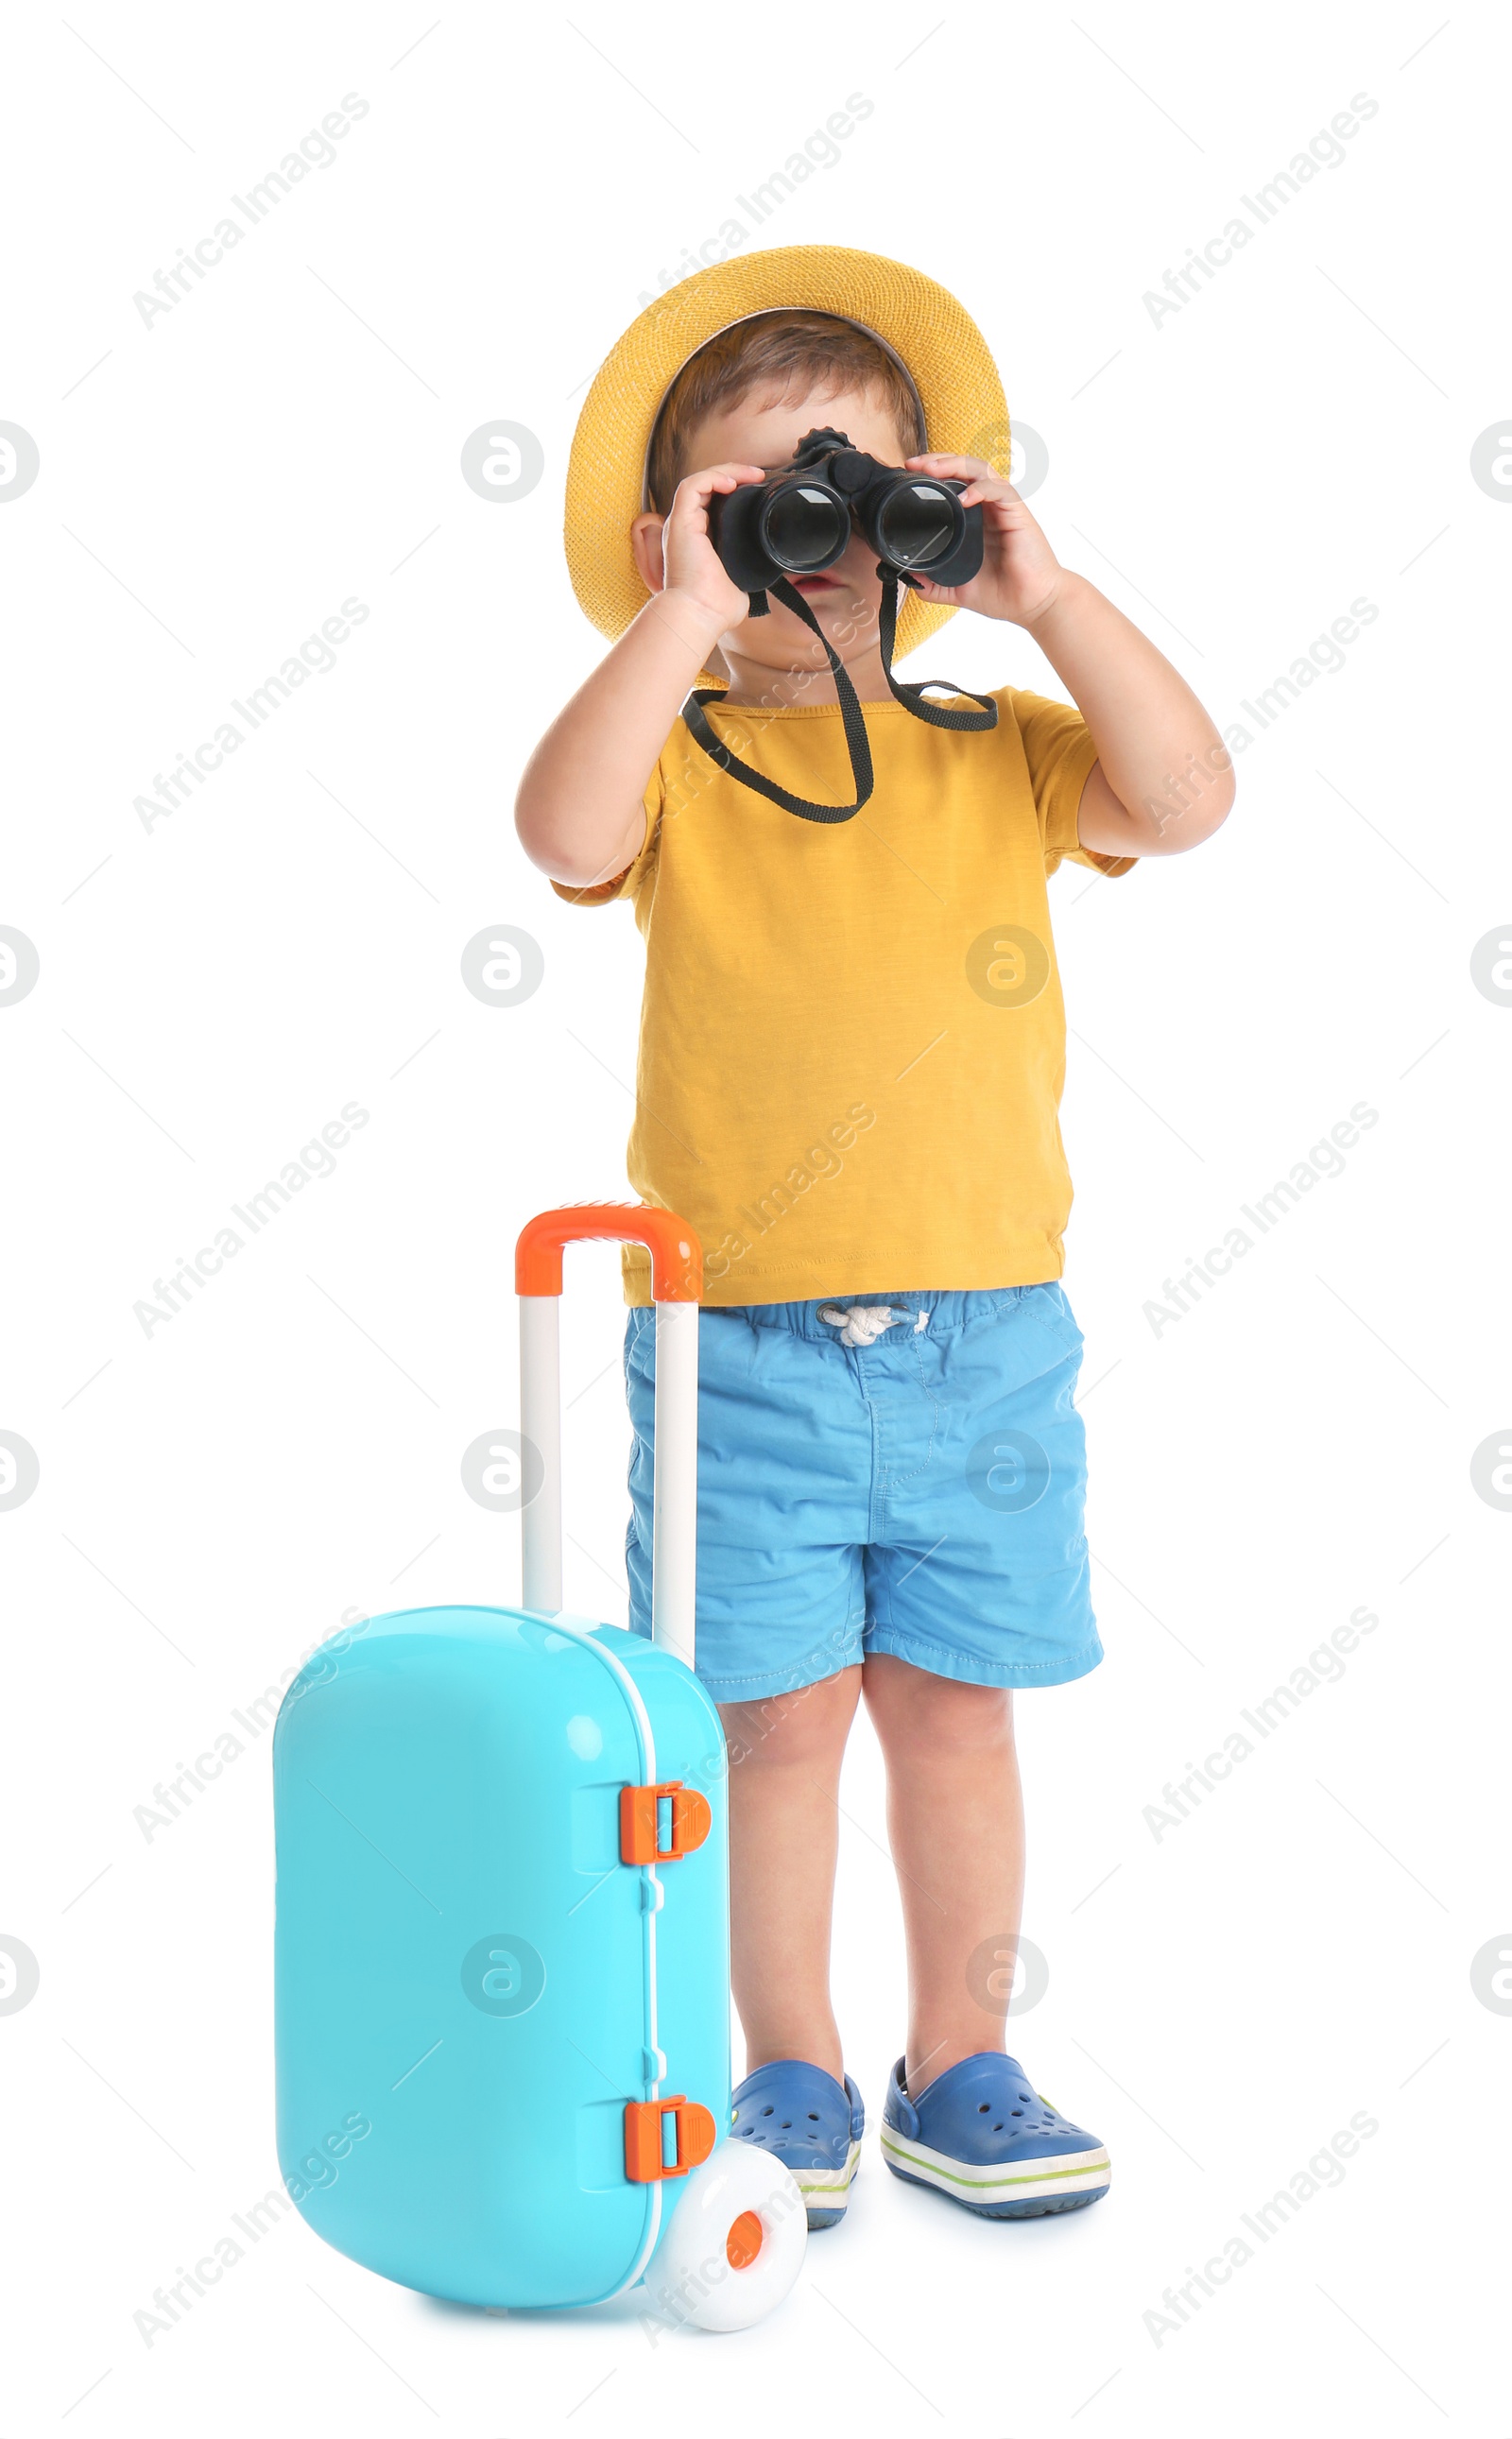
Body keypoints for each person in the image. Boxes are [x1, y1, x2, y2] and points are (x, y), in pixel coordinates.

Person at [516, 247, 1232, 2228]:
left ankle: (964, 2059)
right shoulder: (674, 754)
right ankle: (794, 2070)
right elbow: (559, 838)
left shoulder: (990, 744)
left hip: (981, 1331)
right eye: (770, 506)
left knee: (952, 1705)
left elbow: (1182, 800)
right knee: (773, 1726)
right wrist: (684, 615)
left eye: (857, 493)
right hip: (738, 1342)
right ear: (682, 536)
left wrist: (1050, 597)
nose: (818, 540)